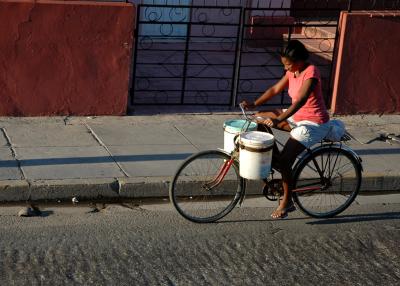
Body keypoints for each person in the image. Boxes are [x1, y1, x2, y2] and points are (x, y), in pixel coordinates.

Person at [241, 40, 331, 219]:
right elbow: (275, 89)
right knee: (259, 118)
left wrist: (279, 119)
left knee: (284, 162)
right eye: (284, 64)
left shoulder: (311, 72)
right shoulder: (292, 71)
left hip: (313, 123)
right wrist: (254, 104)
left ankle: (287, 201)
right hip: (296, 118)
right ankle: (274, 158)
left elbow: (301, 100)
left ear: (299, 60)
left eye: (288, 64)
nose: (286, 68)